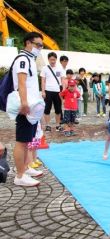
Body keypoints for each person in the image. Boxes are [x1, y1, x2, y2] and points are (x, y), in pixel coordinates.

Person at [12, 32, 44, 187]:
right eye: (38, 45)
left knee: (29, 139)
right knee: (21, 141)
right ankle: (19, 175)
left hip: (33, 106)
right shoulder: (23, 59)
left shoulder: (31, 59)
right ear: (28, 43)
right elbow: (21, 82)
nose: (39, 48)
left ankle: (25, 168)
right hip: (26, 106)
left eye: (41, 46)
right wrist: (24, 103)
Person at [41, 52, 65, 132]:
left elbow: (62, 79)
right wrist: (43, 91)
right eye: (51, 59)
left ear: (56, 60)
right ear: (48, 59)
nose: (52, 61)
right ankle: (48, 125)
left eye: (54, 59)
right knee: (47, 109)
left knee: (58, 109)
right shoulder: (44, 68)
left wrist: (63, 91)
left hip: (57, 91)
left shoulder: (60, 68)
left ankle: (58, 125)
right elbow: (43, 81)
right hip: (48, 91)